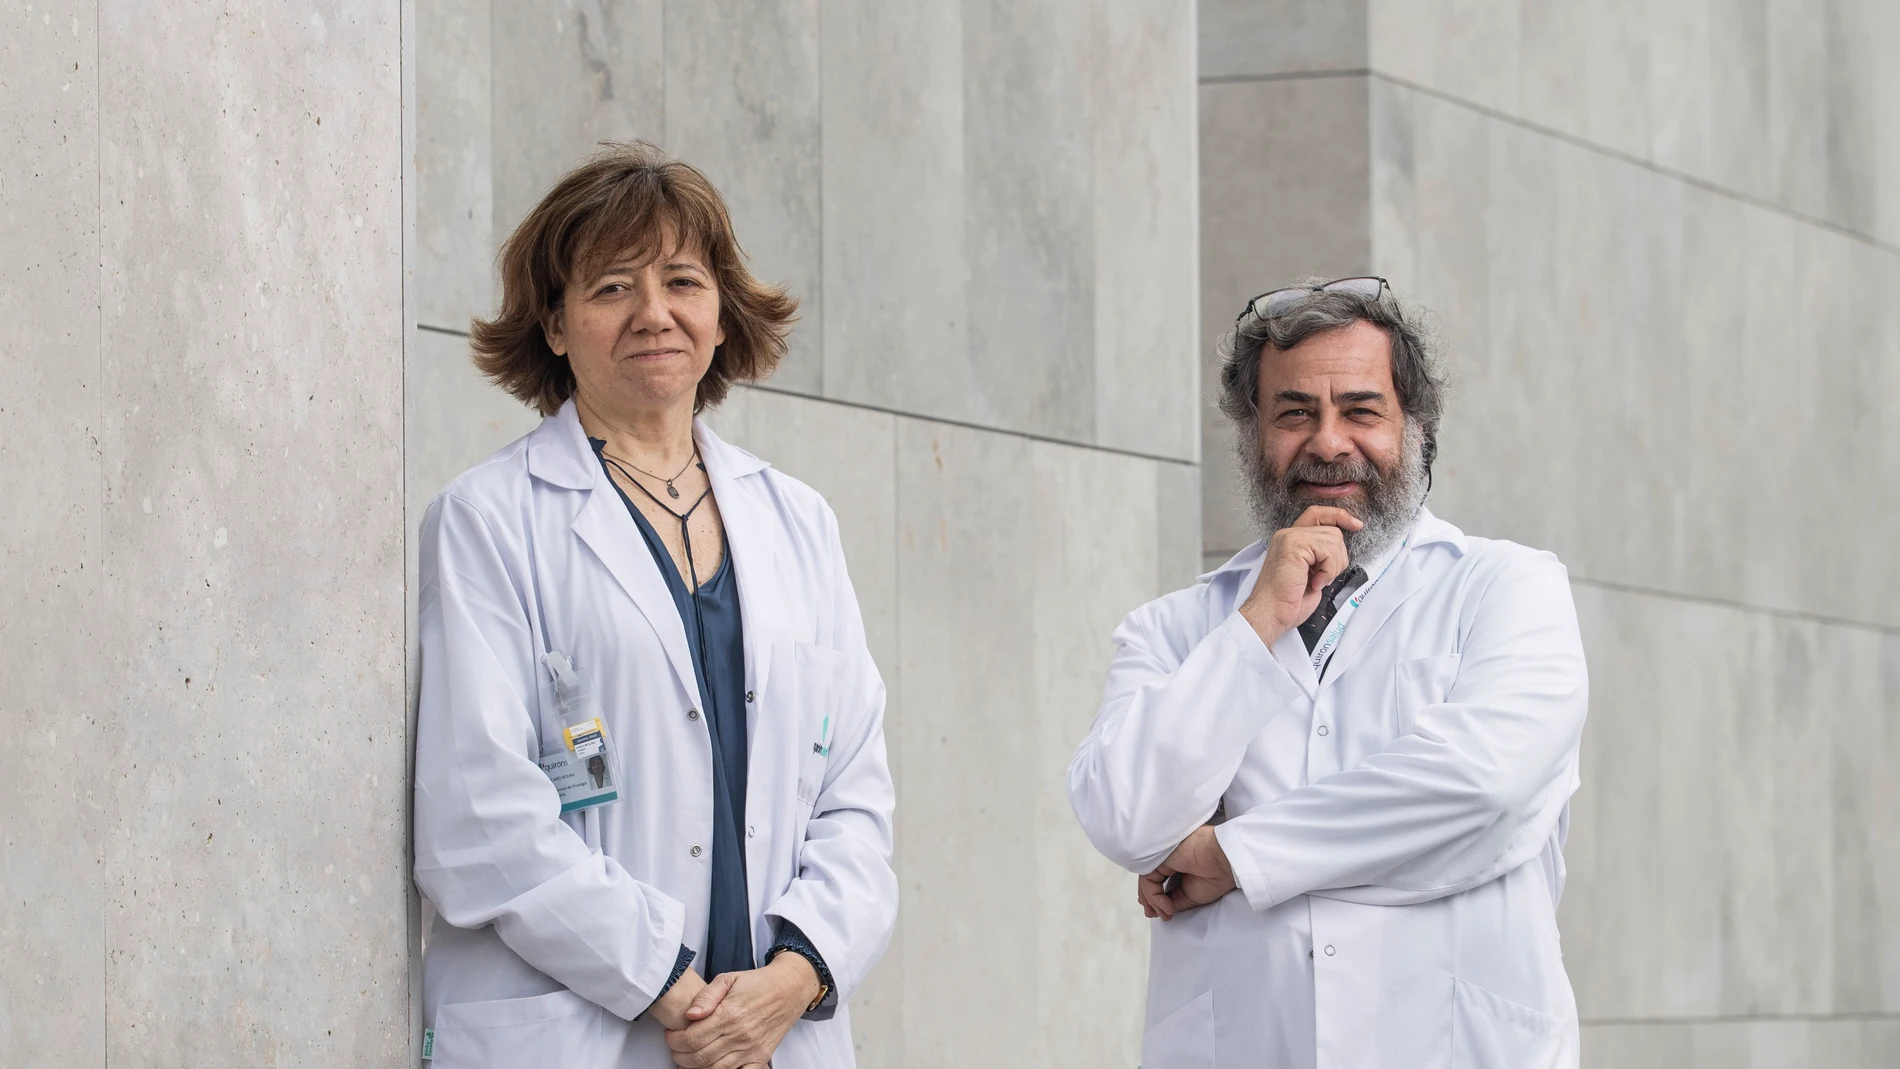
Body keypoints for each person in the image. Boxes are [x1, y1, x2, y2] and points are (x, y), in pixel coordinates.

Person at [413, 142, 896, 1069]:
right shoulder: (489, 519)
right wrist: (674, 986)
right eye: (610, 288)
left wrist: (794, 975)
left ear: (720, 314)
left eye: (682, 280)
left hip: (774, 1033)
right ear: (554, 325)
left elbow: (856, 797)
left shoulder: (799, 522)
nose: (655, 313)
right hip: (590, 1028)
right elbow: (478, 809)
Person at [1067, 278, 1587, 1069]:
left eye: (1361, 409)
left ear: (1415, 426)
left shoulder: (1509, 590)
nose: (1329, 441)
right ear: (1252, 436)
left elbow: (1479, 788)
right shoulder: (1178, 629)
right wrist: (1257, 624)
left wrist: (1226, 856)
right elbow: (1124, 816)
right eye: (1294, 412)